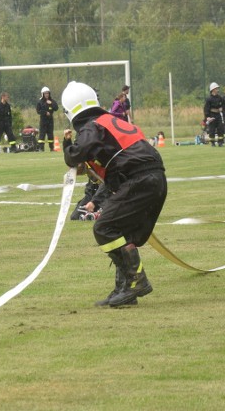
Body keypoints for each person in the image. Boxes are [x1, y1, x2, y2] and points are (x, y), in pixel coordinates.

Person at [60, 81, 167, 308]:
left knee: (104, 228)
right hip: (154, 178)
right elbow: (114, 171)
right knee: (119, 231)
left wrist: (67, 146)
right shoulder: (112, 121)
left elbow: (77, 154)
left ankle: (137, 281)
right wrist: (96, 201)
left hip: (140, 179)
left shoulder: (92, 125)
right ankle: (124, 288)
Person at [35, 86, 59, 151]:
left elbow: (56, 108)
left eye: (47, 93)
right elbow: (38, 111)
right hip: (43, 120)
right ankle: (41, 148)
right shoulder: (40, 102)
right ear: (42, 94)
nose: (46, 95)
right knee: (42, 134)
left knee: (50, 134)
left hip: (50, 120)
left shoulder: (51, 101)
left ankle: (51, 147)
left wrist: (51, 103)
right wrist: (45, 113)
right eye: (45, 93)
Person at [203, 82, 225, 147]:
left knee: (220, 128)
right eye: (216, 88)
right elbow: (206, 108)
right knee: (212, 130)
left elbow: (223, 105)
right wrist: (207, 117)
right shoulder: (209, 99)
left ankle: (220, 142)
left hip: (218, 115)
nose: (217, 90)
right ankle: (212, 143)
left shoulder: (220, 98)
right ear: (213, 89)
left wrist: (221, 108)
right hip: (211, 115)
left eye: (217, 88)